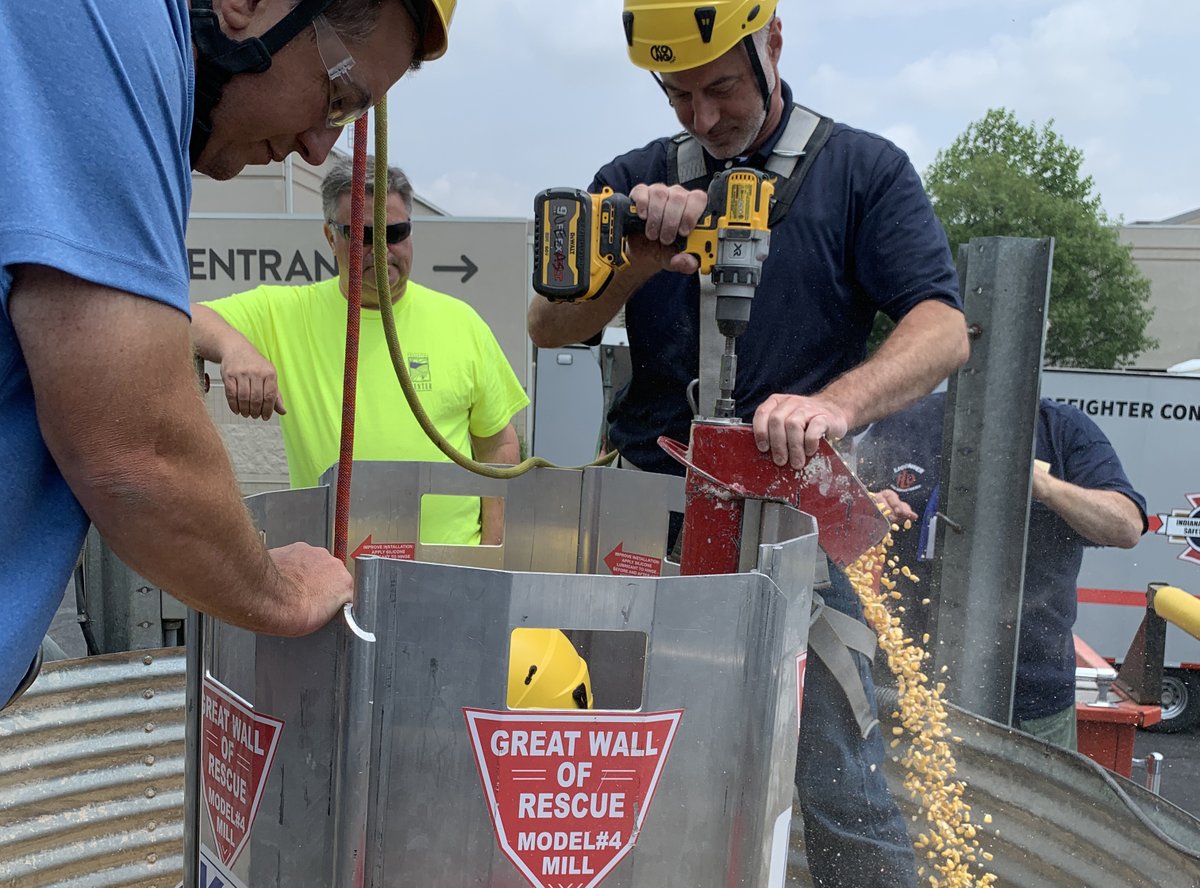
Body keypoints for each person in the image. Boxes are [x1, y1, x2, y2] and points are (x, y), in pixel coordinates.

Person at [527, 3, 969, 885]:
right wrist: (643, 253)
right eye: (678, 94)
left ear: (772, 44)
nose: (701, 117)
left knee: (840, 780)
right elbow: (547, 324)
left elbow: (942, 328)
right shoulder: (631, 180)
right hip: (649, 521)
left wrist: (832, 407)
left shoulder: (860, 172)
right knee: (595, 751)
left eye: (721, 87)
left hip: (797, 526)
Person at [0, 0, 456, 709]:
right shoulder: (103, 27)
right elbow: (139, 453)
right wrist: (276, 592)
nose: (316, 146)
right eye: (335, 96)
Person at [192, 157, 528, 545]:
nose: (382, 250)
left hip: (449, 573)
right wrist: (235, 348)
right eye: (363, 235)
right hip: (333, 573)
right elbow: (185, 319)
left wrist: (491, 551)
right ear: (329, 236)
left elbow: (497, 443)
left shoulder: (462, 323)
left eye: (396, 232)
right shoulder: (286, 313)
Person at [857, 392, 1148, 750]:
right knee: (903, 800)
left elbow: (1127, 526)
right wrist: (870, 507)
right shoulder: (904, 420)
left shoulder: (1061, 429)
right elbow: (846, 508)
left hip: (1031, 692)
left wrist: (1043, 485)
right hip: (906, 678)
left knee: (1033, 806)